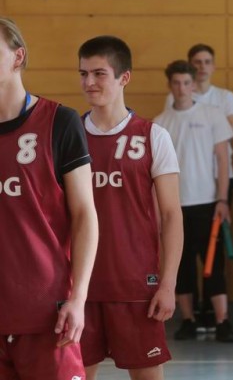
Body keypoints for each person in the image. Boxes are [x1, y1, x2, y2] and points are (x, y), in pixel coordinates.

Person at [77, 36, 184, 379]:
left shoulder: (154, 136)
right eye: (83, 74)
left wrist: (167, 284)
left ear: (124, 77)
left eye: (99, 73)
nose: (89, 82)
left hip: (137, 285)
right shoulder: (68, 136)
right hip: (80, 287)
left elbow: (171, 216)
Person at [0, 17, 99, 379]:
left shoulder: (60, 122)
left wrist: (79, 298)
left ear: (17, 57)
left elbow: (85, 215)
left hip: (47, 314)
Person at [155, 60, 233, 343]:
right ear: (169, 85)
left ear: (194, 84)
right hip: (174, 206)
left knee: (214, 264)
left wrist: (223, 199)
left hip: (209, 203)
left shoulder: (213, 115)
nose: (181, 88)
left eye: (186, 83)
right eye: (176, 83)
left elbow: (223, 160)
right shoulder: (159, 123)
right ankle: (188, 320)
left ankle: (222, 321)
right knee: (182, 265)